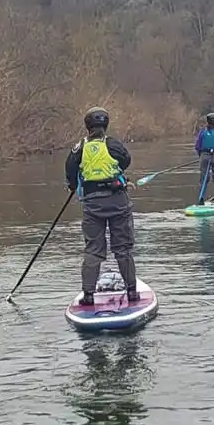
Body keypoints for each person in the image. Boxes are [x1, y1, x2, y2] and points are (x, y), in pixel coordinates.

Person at [64, 107, 139, 306]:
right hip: (118, 203)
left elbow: (70, 171)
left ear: (87, 126)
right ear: (106, 125)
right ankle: (132, 292)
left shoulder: (79, 148)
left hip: (92, 205)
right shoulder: (113, 144)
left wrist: (73, 185)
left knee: (93, 250)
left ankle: (88, 295)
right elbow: (125, 161)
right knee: (123, 249)